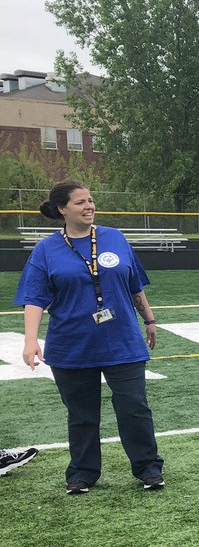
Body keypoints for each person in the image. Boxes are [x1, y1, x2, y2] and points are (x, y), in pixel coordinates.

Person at [16, 181, 164, 494]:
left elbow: (134, 284)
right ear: (62, 209)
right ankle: (82, 473)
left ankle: (148, 467)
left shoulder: (114, 237)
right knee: (82, 415)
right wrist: (31, 340)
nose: (89, 206)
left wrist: (149, 319)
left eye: (91, 200)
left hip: (122, 341)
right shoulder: (46, 250)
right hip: (72, 346)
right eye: (80, 202)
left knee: (134, 408)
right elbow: (34, 298)